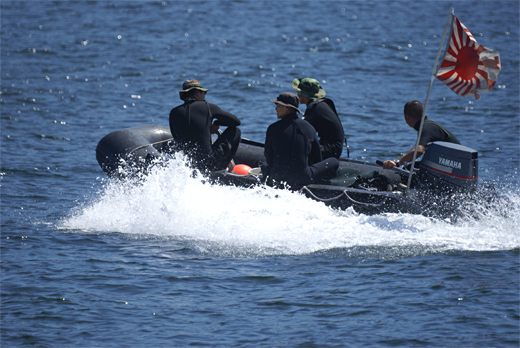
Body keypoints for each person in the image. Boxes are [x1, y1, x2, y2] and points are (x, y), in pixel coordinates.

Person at [261, 93, 339, 189]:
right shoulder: (309, 128)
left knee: (264, 164)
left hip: (277, 177)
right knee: (334, 161)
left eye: (278, 106)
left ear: (287, 108)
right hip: (302, 178)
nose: (275, 109)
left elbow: (269, 157)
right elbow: (316, 158)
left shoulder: (272, 128)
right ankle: (323, 186)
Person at [169, 79, 241, 172]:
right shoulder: (207, 106)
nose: (204, 96)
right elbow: (235, 121)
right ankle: (220, 170)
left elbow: (177, 136)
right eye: (203, 93)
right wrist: (216, 123)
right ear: (197, 93)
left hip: (188, 164)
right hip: (208, 163)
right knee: (235, 131)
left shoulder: (174, 112)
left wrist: (206, 129)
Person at [382, 100, 460, 169]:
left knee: (409, 170)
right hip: (455, 163)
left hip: (454, 165)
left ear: (407, 117)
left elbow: (419, 150)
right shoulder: (428, 125)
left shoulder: (426, 128)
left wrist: (397, 162)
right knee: (412, 168)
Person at [292, 77, 344, 159]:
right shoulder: (321, 104)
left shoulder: (314, 107)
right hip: (335, 148)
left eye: (298, 92)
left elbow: (300, 130)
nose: (297, 95)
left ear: (303, 94)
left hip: (330, 149)